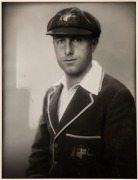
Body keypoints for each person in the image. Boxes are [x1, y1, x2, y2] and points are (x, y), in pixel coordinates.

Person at [26, 7, 136, 178]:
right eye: (60, 40)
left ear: (93, 44)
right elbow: (39, 158)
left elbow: (122, 172)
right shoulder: (51, 94)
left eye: (76, 39)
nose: (68, 50)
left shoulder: (116, 96)